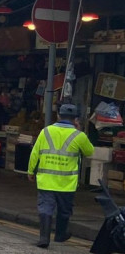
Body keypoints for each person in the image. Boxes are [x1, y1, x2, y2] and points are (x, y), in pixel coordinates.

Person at [28, 104, 94, 249]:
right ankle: (60, 234)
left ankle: (44, 238)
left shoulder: (45, 132)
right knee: (64, 210)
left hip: (46, 180)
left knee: (45, 208)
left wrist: (31, 171)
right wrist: (80, 130)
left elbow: (35, 153)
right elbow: (90, 152)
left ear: (58, 115)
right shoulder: (79, 136)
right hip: (67, 182)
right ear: (75, 119)